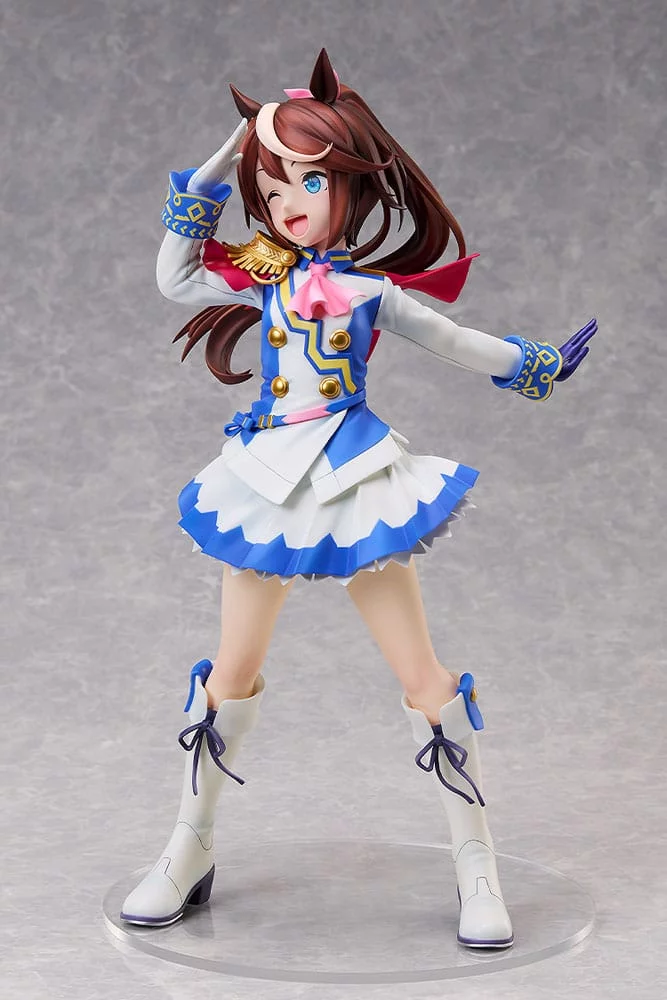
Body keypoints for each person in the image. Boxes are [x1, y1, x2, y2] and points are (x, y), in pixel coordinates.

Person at [120, 49, 596, 948]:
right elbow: (175, 279)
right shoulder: (263, 267)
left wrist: (531, 363)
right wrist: (215, 172)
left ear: (349, 182)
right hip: (265, 478)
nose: (288, 200)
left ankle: (475, 860)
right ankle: (188, 844)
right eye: (273, 185)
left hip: (353, 476)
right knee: (228, 673)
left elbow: (455, 340)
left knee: (422, 675)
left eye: (308, 180)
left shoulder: (369, 291)